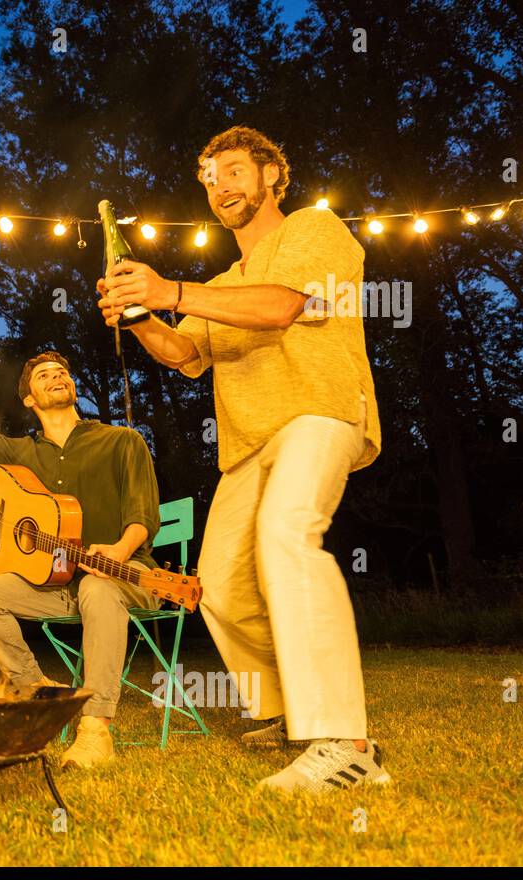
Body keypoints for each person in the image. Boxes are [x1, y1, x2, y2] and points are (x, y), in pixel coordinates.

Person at [97, 125, 389, 793]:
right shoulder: (223, 280)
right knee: (221, 584)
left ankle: (346, 743)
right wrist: (138, 313)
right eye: (208, 176)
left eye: (233, 169)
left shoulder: (315, 230)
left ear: (271, 176)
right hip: (249, 441)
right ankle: (287, 709)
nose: (220, 184)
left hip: (320, 410)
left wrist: (168, 290)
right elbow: (182, 352)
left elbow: (284, 305)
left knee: (286, 534)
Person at [0, 303, 162, 769]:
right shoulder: (20, 455)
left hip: (126, 576)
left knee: (99, 587)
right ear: (29, 400)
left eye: (62, 372)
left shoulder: (122, 441)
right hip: (59, 586)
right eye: (44, 376)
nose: (57, 376)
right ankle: (42, 697)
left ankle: (95, 730)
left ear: (73, 386)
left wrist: (118, 551)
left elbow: (143, 513)